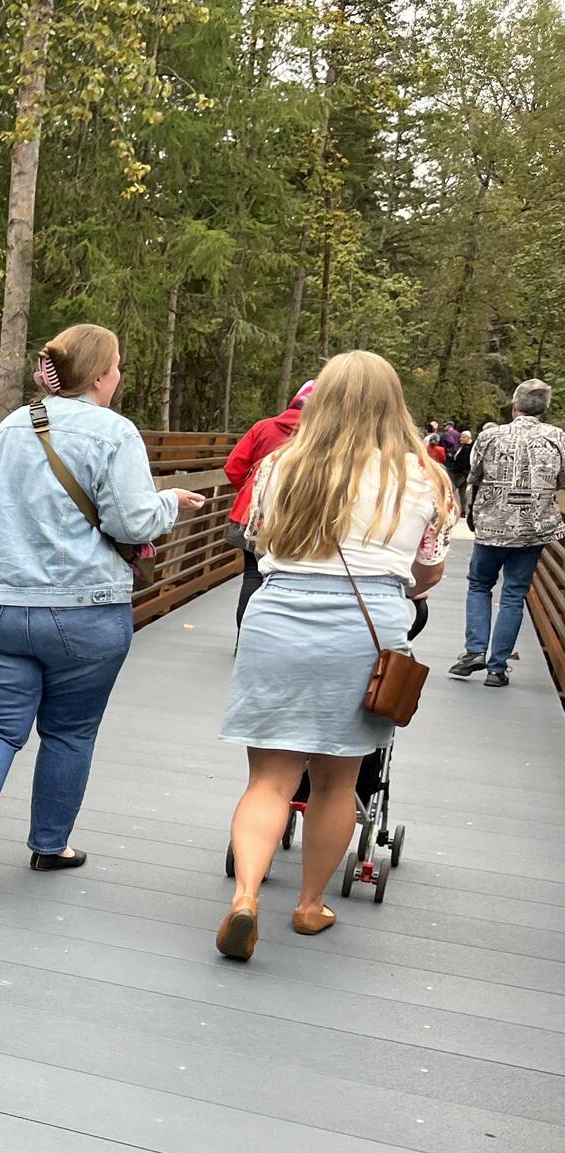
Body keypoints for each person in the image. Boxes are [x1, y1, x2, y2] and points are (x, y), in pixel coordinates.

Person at [0, 323, 202, 890]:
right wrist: (170, 503)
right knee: (70, 732)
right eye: (119, 365)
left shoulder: (9, 427)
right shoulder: (116, 433)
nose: (120, 375)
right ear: (101, 374)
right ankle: (49, 845)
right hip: (84, 611)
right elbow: (130, 521)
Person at [215, 351, 453, 960]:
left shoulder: (279, 465)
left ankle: (245, 897)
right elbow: (428, 571)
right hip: (367, 632)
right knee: (337, 782)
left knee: (269, 778)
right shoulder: (425, 479)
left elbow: (260, 538)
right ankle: (309, 903)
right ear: (392, 403)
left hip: (279, 617)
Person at [450, 379, 565, 687]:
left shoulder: (490, 436)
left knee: (479, 585)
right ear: (544, 408)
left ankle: (474, 651)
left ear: (515, 406)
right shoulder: (557, 438)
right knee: (514, 594)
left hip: (492, 527)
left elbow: (474, 474)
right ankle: (497, 668)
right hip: (533, 529)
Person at [224, 380, 316, 628]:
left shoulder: (263, 427)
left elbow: (233, 467)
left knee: (253, 573)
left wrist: (251, 492)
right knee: (288, 577)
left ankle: (244, 637)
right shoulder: (319, 438)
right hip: (295, 519)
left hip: (251, 516)